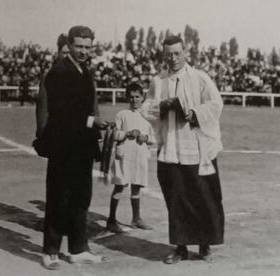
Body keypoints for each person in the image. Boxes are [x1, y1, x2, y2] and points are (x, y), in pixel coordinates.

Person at [141, 35, 225, 264]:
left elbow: (216, 104)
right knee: (176, 199)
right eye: (169, 54)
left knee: (203, 197)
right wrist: (162, 106)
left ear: (185, 52)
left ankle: (205, 244)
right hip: (170, 148)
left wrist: (194, 113)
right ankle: (180, 247)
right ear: (164, 55)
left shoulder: (199, 78)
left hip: (196, 149)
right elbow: (146, 107)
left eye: (177, 53)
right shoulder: (158, 81)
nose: (173, 58)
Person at [40, 25, 108, 270]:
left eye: (88, 47)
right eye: (79, 46)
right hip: (62, 145)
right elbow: (62, 112)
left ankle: (78, 249)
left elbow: (87, 107)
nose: (83, 51)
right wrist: (93, 121)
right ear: (68, 45)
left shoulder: (85, 71)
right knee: (59, 197)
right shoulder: (58, 72)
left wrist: (95, 125)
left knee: (81, 197)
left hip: (82, 146)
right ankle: (50, 251)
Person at [106, 83, 155, 233]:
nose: (134, 100)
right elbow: (115, 135)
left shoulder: (147, 116)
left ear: (143, 98)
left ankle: (136, 218)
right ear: (127, 98)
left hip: (139, 155)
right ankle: (111, 220)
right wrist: (127, 133)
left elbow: (153, 138)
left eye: (137, 97)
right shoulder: (122, 114)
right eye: (131, 97)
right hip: (124, 155)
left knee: (136, 186)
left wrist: (145, 137)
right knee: (120, 185)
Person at [35, 33, 70, 139]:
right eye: (64, 53)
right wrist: (42, 133)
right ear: (58, 53)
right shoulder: (49, 76)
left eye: (70, 53)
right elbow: (42, 109)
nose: (67, 57)